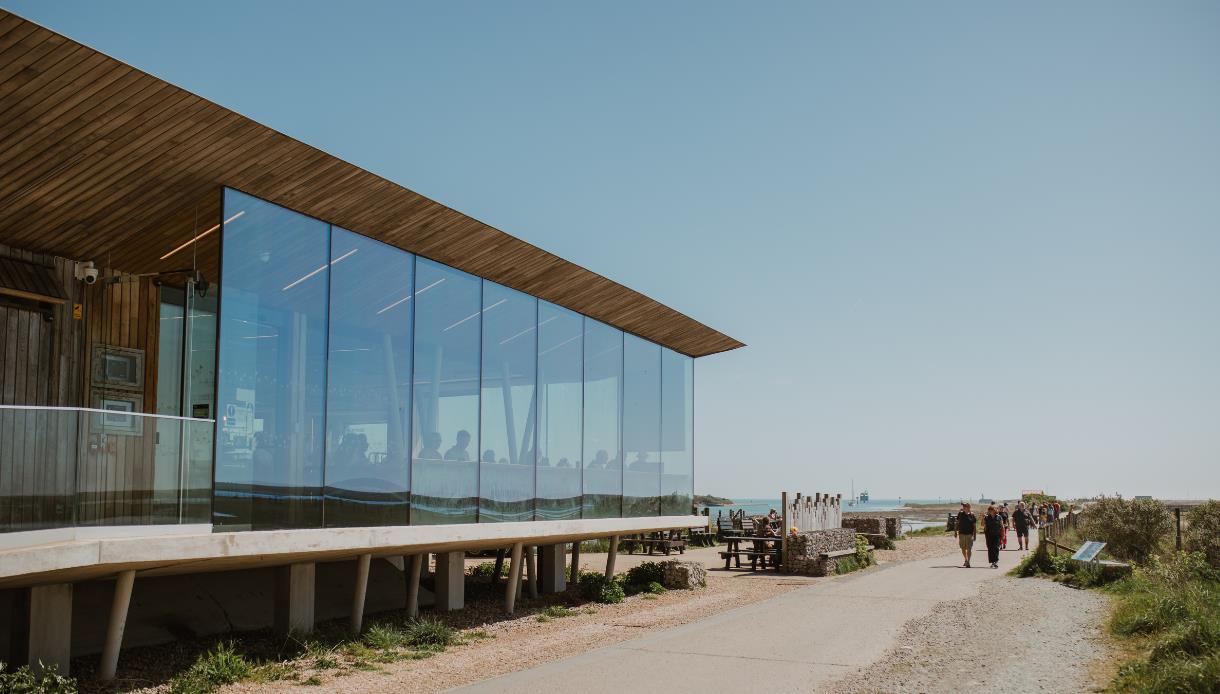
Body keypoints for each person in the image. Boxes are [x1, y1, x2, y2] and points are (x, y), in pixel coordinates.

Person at [954, 502, 977, 568]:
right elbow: (957, 523)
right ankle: (966, 559)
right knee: (963, 548)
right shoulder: (960, 514)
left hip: (969, 534)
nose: (964, 507)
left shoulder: (972, 515)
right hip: (961, 534)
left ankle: (968, 562)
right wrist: (955, 532)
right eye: (963, 506)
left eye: (965, 506)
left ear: (969, 507)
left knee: (969, 548)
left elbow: (974, 526)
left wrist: (975, 535)